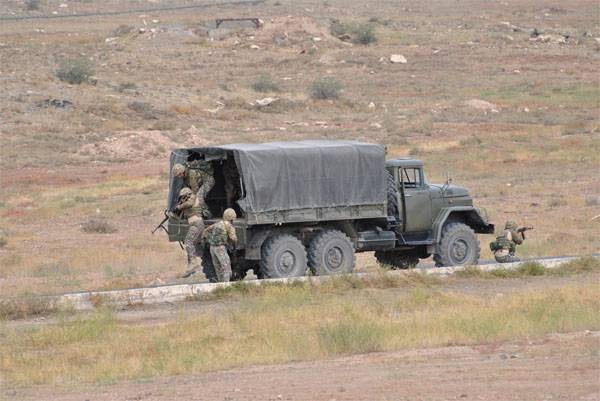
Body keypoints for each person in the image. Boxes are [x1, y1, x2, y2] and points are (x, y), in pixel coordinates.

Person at [172, 187, 205, 278]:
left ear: (187, 195)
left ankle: (193, 264)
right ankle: (191, 266)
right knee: (190, 244)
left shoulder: (193, 197)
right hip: (195, 224)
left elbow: (189, 204)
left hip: (197, 224)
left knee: (188, 242)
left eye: (183, 197)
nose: (182, 199)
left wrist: (179, 207)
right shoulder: (187, 201)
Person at [202, 208, 237, 282]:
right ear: (232, 218)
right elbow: (233, 238)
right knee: (226, 268)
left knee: (218, 268)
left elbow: (206, 230)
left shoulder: (218, 223)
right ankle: (226, 285)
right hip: (220, 248)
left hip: (212, 248)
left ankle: (220, 284)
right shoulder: (230, 227)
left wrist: (207, 239)